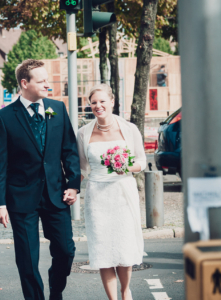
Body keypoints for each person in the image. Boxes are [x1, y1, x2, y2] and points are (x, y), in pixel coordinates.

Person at [0, 59, 81, 300]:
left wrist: (73, 185)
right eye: (41, 81)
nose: (47, 85)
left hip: (56, 194)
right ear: (24, 83)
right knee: (27, 260)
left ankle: (56, 289)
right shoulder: (5, 117)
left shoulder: (57, 108)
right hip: (21, 199)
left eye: (47, 80)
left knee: (66, 250)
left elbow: (69, 150)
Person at [77, 84, 146, 300]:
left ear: (112, 102)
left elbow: (142, 162)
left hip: (122, 193)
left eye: (102, 101)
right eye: (94, 102)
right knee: (102, 249)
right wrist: (68, 188)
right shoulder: (83, 133)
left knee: (124, 246)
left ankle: (125, 292)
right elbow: (81, 169)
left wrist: (125, 166)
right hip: (97, 195)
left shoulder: (129, 129)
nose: (98, 106)